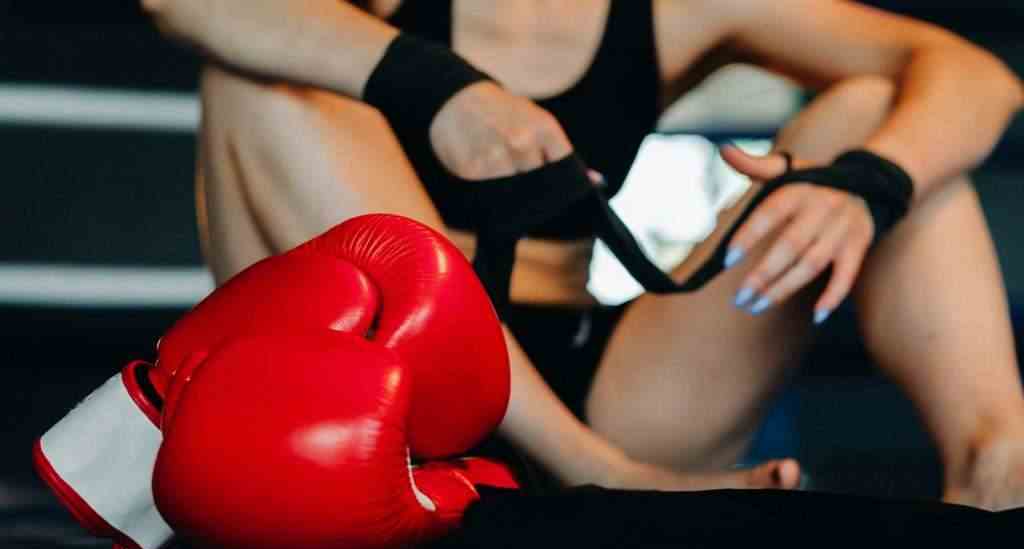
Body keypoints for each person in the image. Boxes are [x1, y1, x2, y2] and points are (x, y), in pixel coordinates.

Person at [141, 0, 1023, 507]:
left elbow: (977, 74)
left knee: (884, 116)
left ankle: (996, 469)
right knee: (256, 71)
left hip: (609, 389)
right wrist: (442, 91)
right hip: (386, 400)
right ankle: (593, 475)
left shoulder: (677, 6)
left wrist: (870, 180)